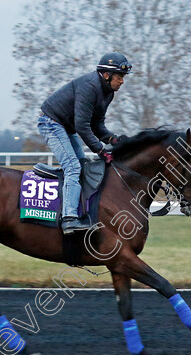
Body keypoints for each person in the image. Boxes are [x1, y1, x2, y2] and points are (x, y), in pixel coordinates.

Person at [37, 52, 131, 233]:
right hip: (52, 122)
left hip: (65, 126)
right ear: (106, 75)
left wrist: (111, 138)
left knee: (81, 166)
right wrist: (100, 150)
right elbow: (82, 125)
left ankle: (80, 210)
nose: (122, 81)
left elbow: (97, 124)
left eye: (123, 77)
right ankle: (69, 218)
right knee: (73, 167)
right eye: (119, 76)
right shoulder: (89, 87)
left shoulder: (108, 92)